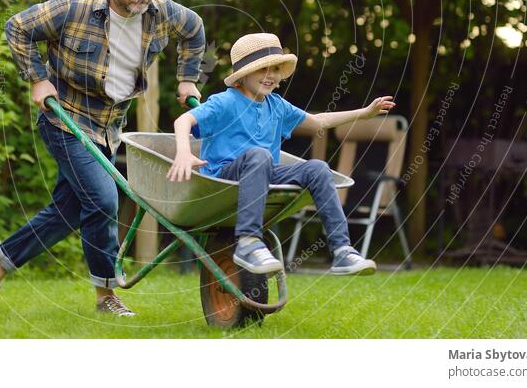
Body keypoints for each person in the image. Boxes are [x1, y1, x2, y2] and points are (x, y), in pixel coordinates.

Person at [0, 0, 205, 316]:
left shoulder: (161, 11)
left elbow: (195, 30)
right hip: (65, 119)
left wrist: (187, 78)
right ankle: (106, 296)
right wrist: (36, 78)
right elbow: (17, 27)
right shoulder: (74, 6)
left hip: (110, 127)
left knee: (67, 211)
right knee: (102, 200)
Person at [167, 33, 394, 275]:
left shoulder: (276, 105)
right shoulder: (224, 102)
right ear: (243, 75)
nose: (271, 75)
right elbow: (184, 120)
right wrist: (183, 152)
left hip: (263, 174)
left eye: (275, 68)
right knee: (259, 155)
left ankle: (342, 251)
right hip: (223, 178)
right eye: (262, 69)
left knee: (317, 168)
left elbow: (318, 122)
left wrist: (365, 113)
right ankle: (248, 242)